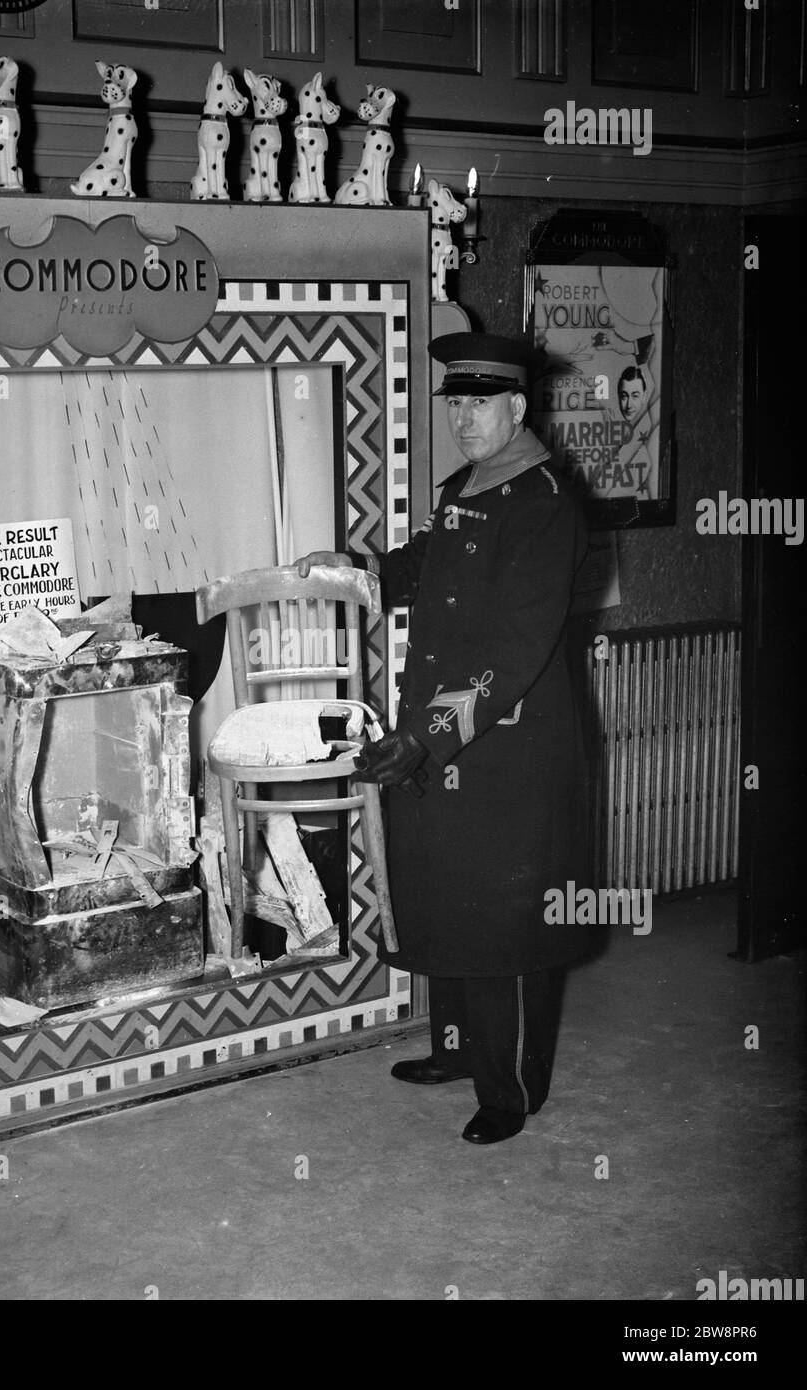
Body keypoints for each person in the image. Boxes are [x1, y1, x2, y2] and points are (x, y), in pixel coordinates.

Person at [295, 332, 592, 1145]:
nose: (463, 417)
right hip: (449, 733)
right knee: (449, 900)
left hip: (507, 750)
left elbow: (515, 650)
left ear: (517, 408)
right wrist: (352, 570)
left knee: (503, 923)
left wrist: (425, 738)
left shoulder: (544, 502)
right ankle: (457, 1051)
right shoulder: (472, 485)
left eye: (480, 403)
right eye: (456, 403)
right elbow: (424, 563)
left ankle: (511, 1089)